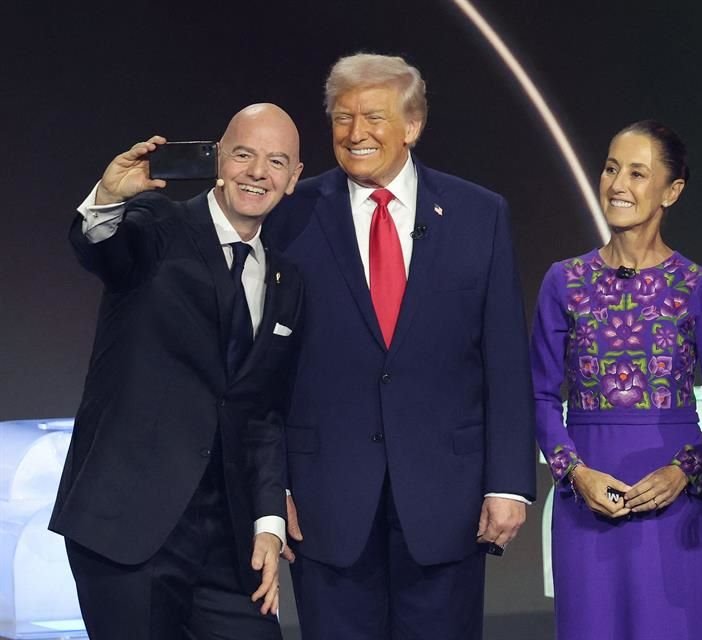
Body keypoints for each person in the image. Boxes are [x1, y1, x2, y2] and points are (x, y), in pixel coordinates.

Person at [264, 53, 536, 639]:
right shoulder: (290, 215)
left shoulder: (479, 214)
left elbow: (505, 361)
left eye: (373, 117)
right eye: (342, 117)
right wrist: (273, 488)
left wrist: (508, 483)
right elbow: (267, 368)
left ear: (412, 125)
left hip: (448, 499)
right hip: (324, 500)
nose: (354, 132)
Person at [49, 103, 305, 640]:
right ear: (219, 159)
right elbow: (103, 250)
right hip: (127, 529)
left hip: (228, 540)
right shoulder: (158, 224)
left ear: (293, 177)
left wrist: (268, 522)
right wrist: (108, 199)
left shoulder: (288, 279)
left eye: (277, 161)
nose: (259, 172)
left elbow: (262, 412)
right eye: (244, 155)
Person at [530, 120, 702, 640]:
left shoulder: (699, 287)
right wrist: (575, 473)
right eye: (610, 168)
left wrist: (683, 471)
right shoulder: (564, 281)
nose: (617, 184)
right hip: (587, 501)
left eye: (637, 173)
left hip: (677, 505)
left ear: (672, 191)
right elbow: (537, 394)